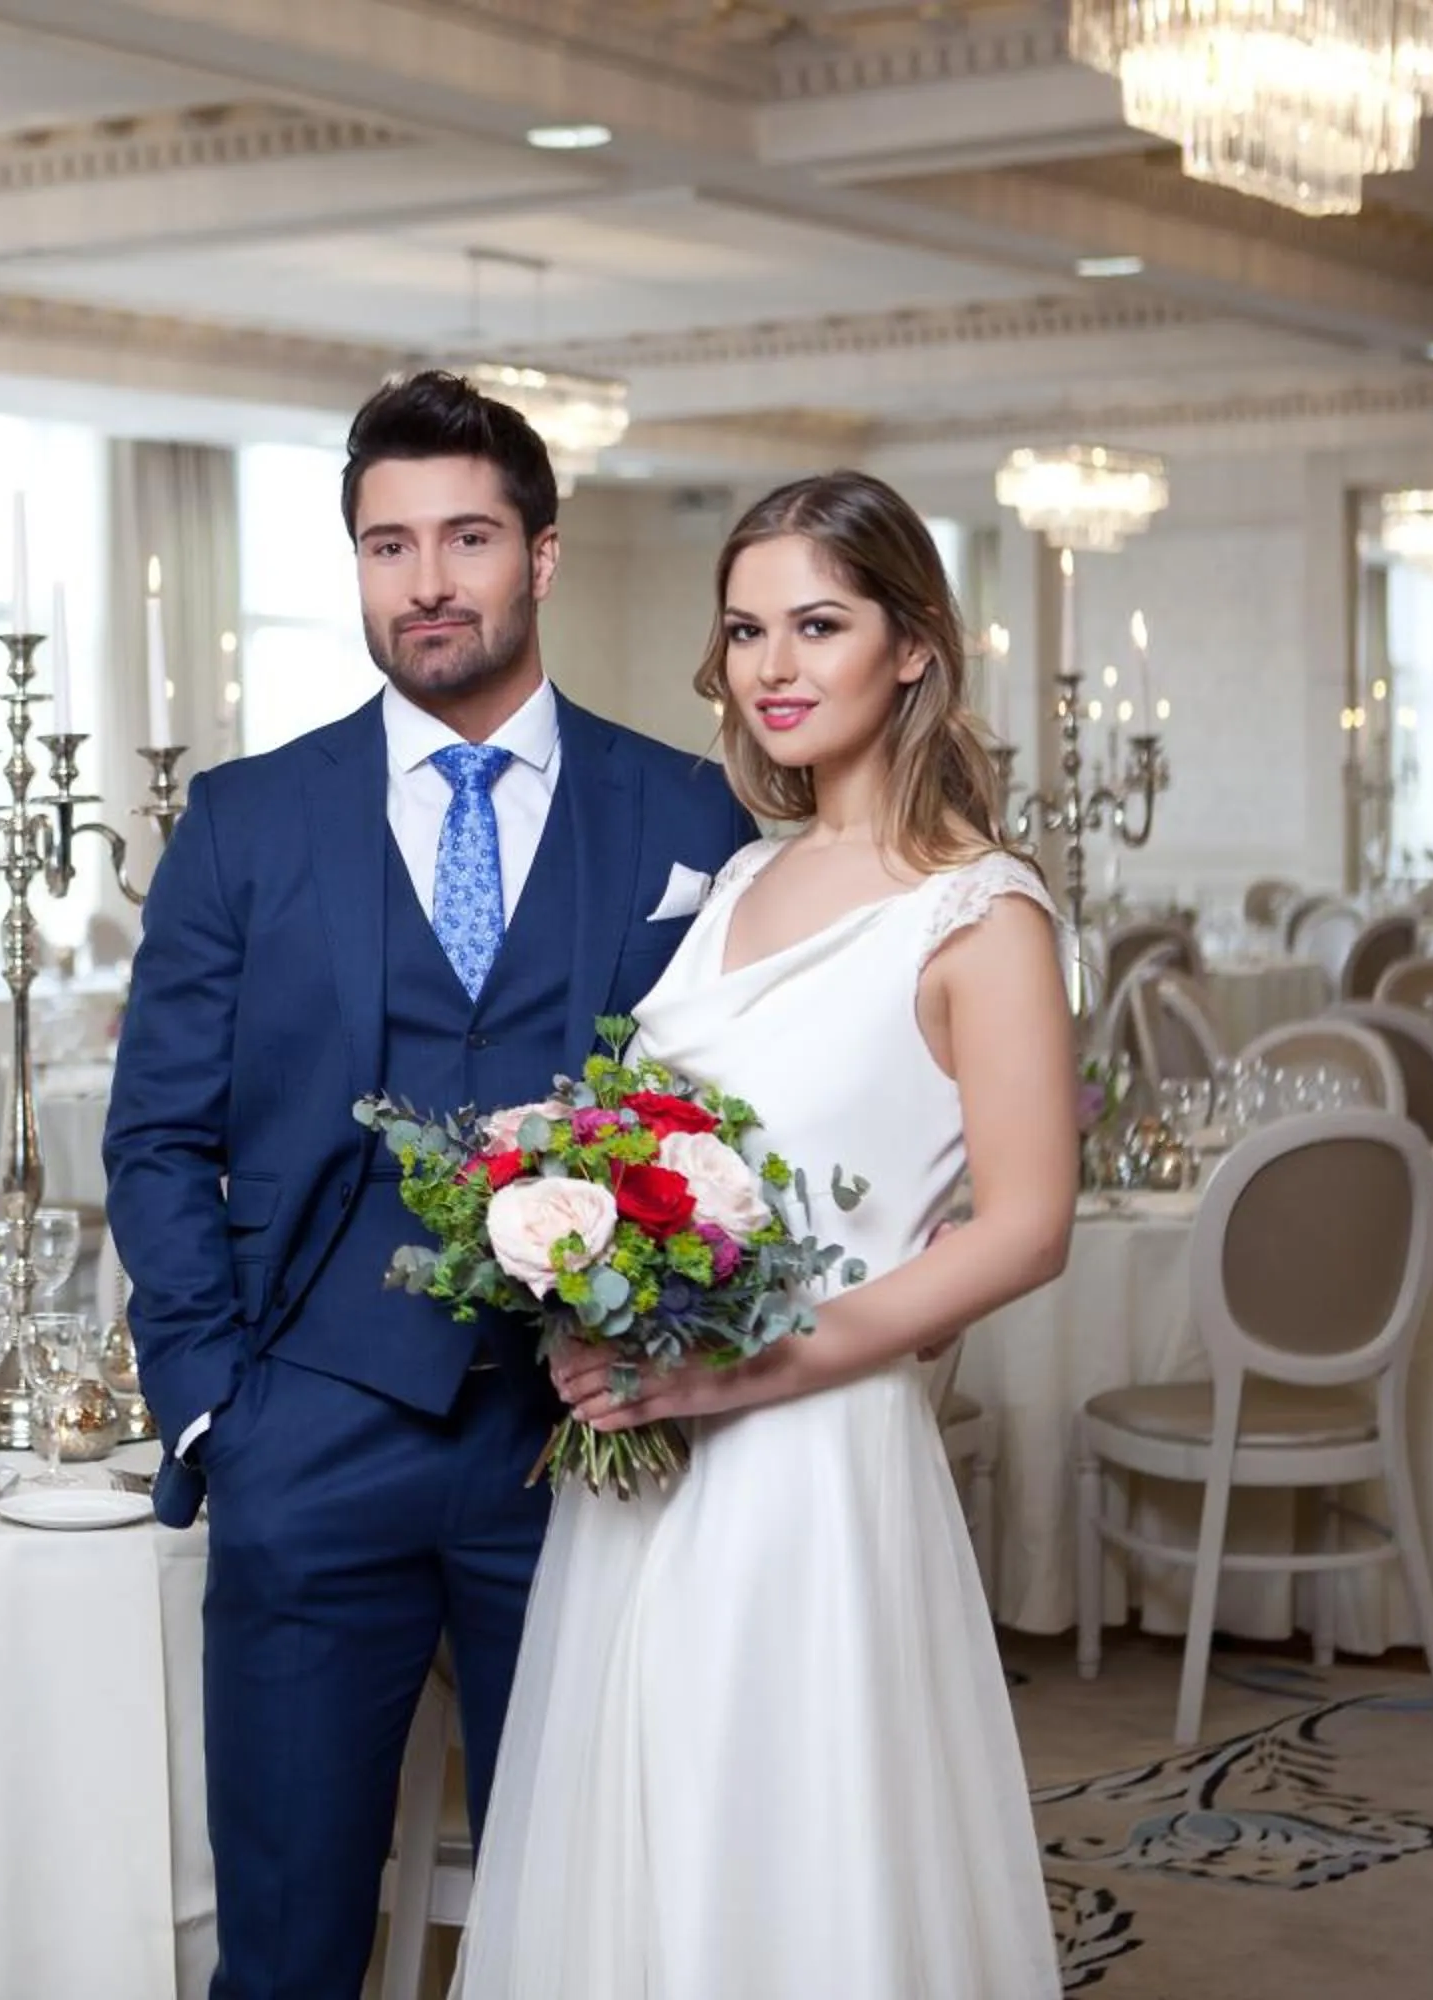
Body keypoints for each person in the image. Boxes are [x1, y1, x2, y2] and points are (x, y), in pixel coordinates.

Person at [102, 369, 757, 1998]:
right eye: (389, 545)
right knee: (289, 1939)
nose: (428, 580)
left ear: (542, 553)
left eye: (467, 536)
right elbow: (159, 1136)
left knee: (602, 1921)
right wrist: (213, 1411)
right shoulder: (248, 824)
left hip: (592, 1446)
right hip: (305, 1435)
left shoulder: (688, 808)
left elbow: (739, 1118)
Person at [456, 469, 1074, 1995]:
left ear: (912, 644)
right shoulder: (736, 875)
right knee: (641, 1845)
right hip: (647, 1452)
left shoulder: (982, 913)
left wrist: (745, 1375)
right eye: (745, 632)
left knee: (791, 1858)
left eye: (818, 624)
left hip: (810, 1454)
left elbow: (1029, 1230)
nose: (775, 667)